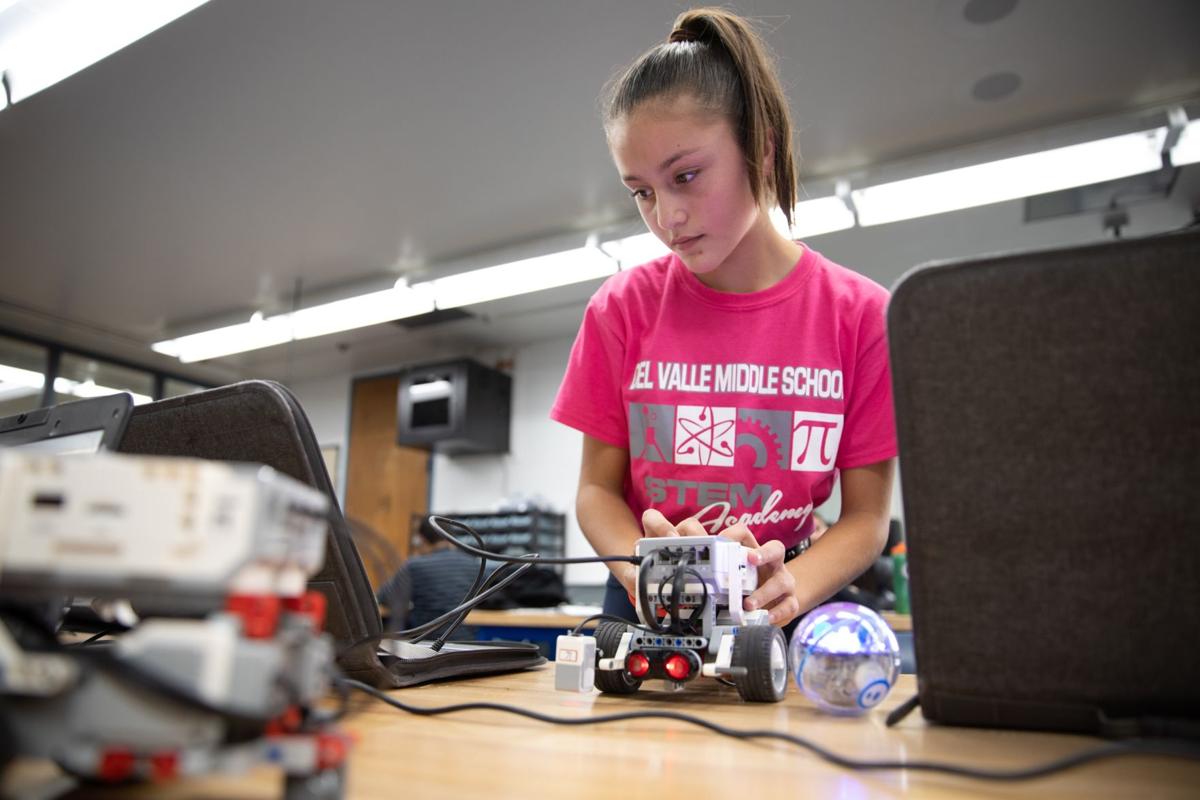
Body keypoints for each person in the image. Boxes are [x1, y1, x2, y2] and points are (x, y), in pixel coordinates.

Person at [550, 7, 897, 635]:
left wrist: (790, 590)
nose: (666, 217)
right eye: (643, 191)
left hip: (788, 598)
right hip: (646, 600)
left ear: (758, 150)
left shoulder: (862, 316)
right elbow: (596, 493)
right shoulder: (620, 309)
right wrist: (647, 578)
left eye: (686, 176)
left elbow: (866, 518)